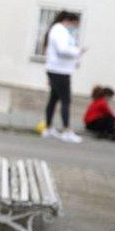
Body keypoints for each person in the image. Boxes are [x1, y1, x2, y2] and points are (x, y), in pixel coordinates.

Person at [42, 11, 85, 143]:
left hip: (57, 69)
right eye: (75, 24)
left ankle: (48, 127)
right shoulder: (60, 31)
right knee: (66, 100)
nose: (75, 27)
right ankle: (66, 130)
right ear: (69, 20)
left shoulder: (57, 30)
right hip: (60, 71)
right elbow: (63, 50)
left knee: (54, 99)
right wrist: (78, 51)